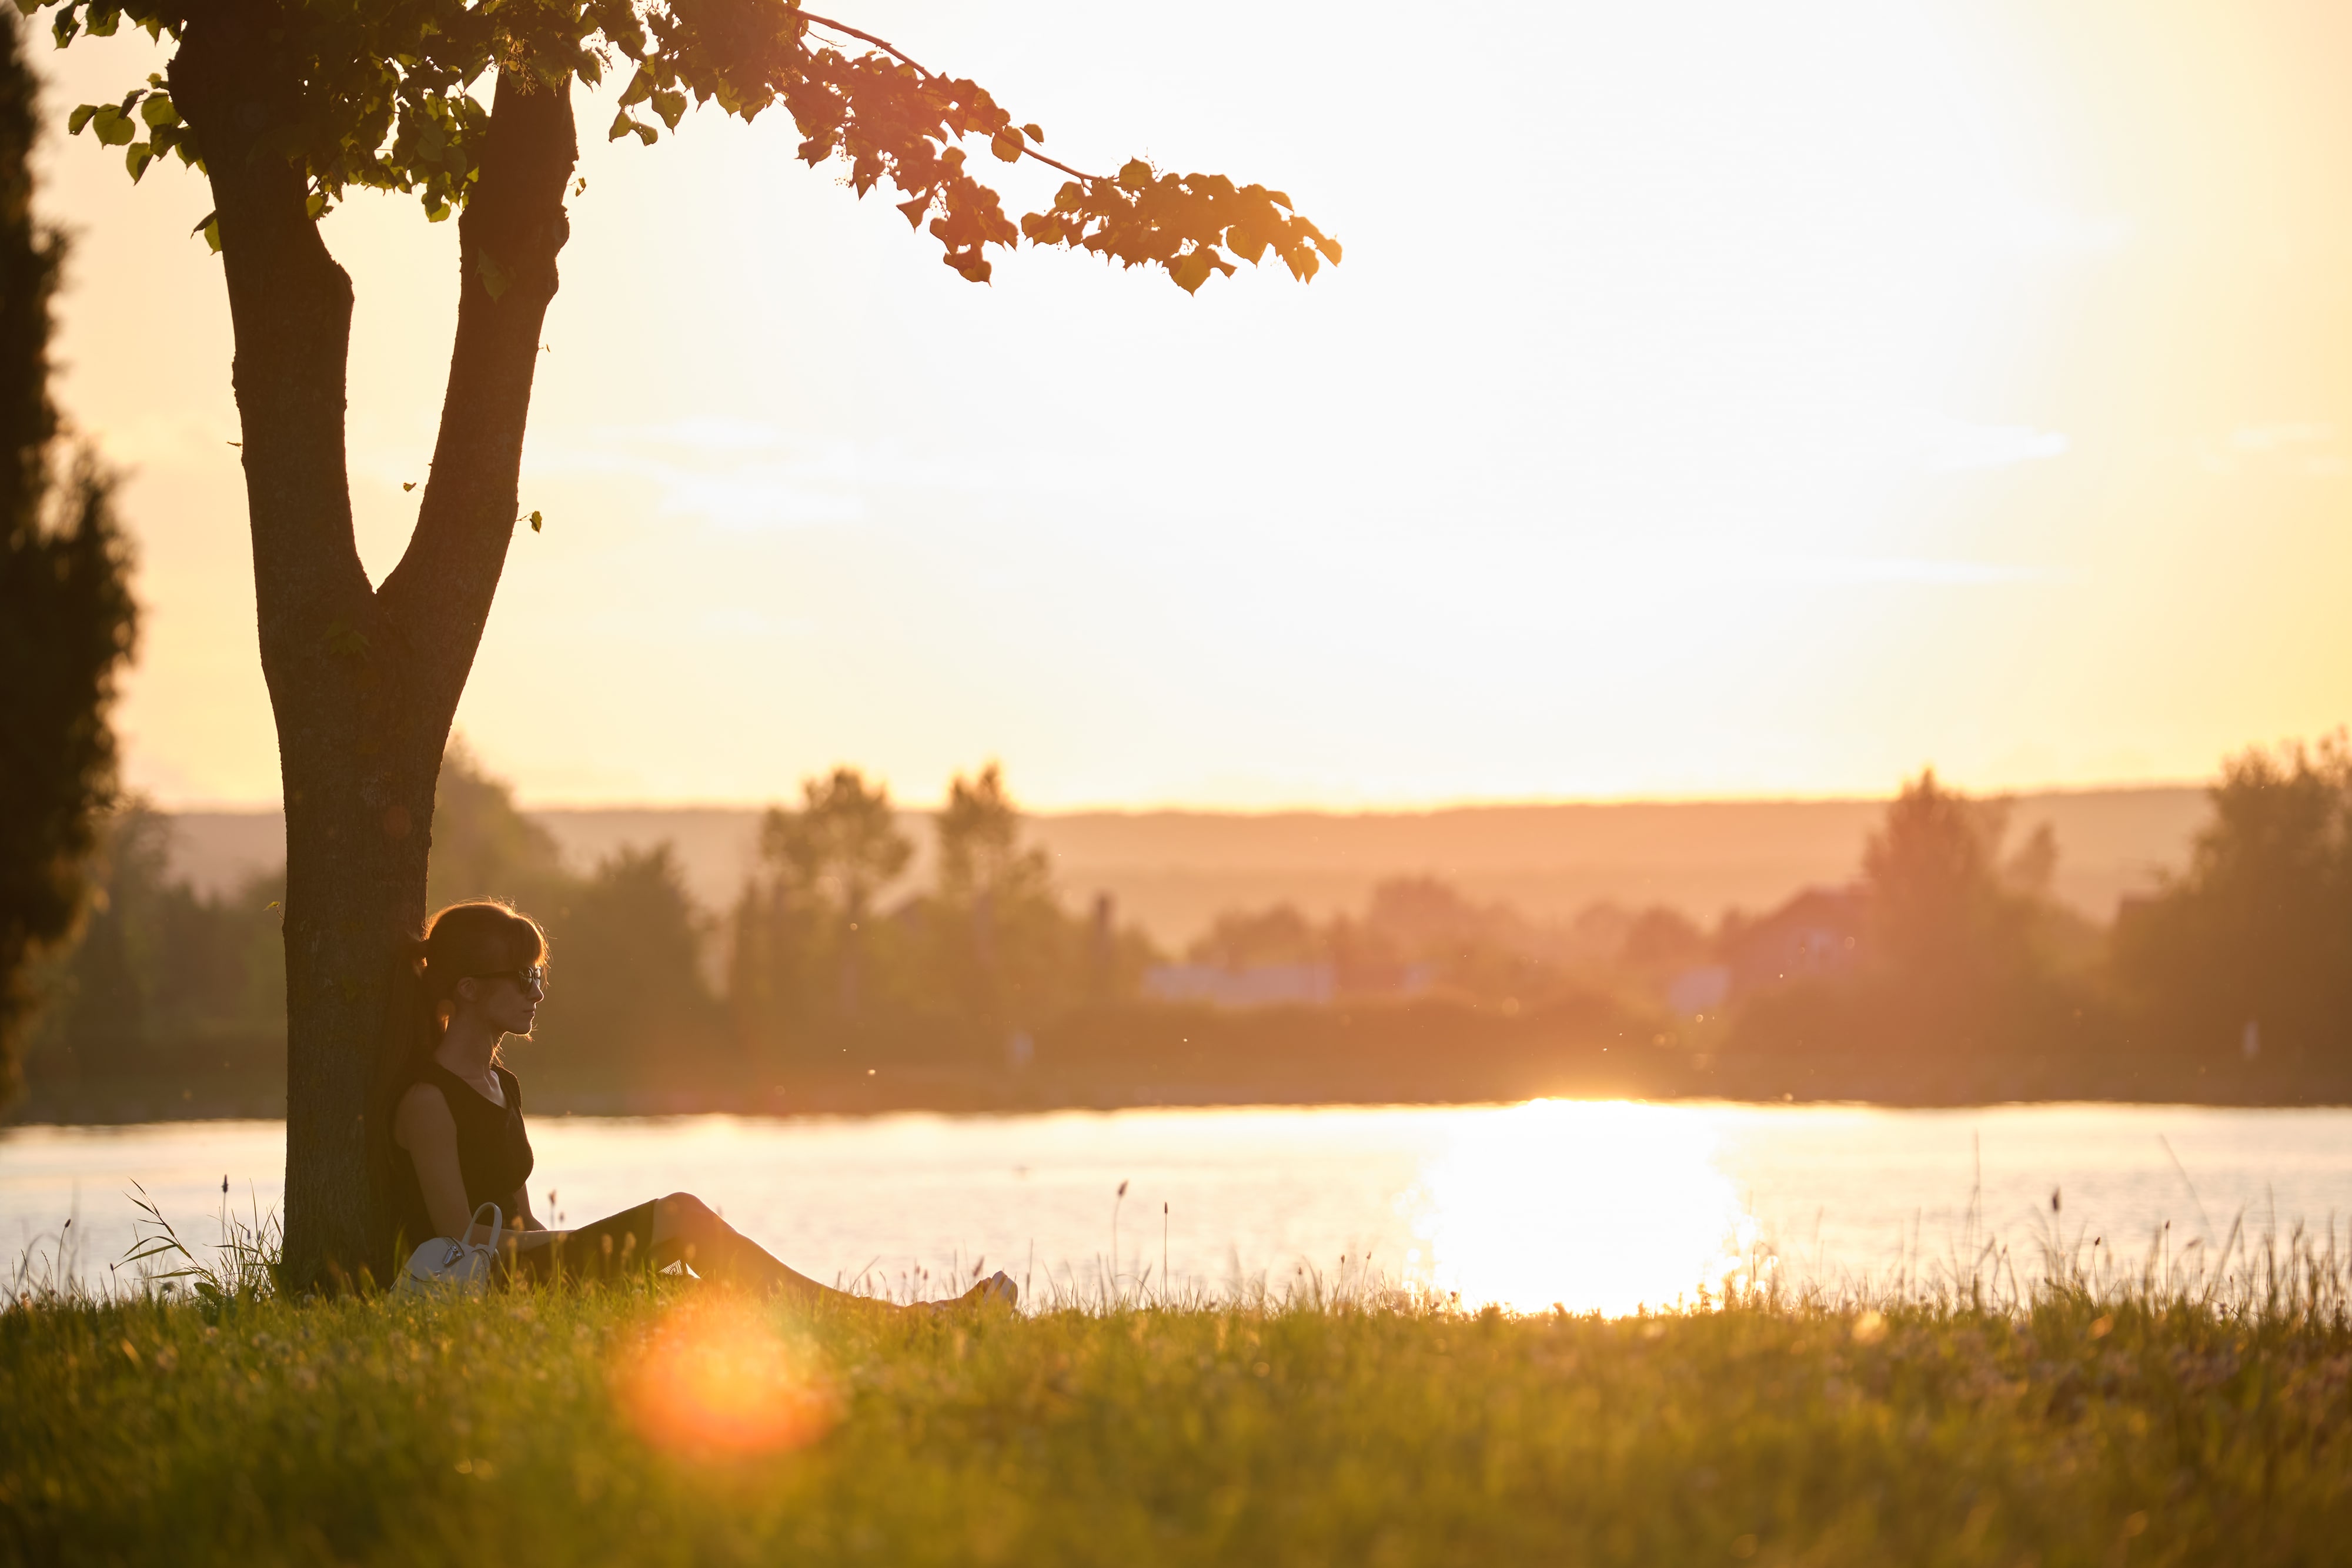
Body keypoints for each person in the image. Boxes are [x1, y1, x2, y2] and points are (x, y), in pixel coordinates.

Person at [375, 899, 1013, 1310]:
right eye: (522, 979)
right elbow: (458, 1236)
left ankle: (860, 1329)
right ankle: (903, 1322)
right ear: (466, 989)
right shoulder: (429, 1101)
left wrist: (595, 1254)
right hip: (482, 1289)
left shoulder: (501, 1086)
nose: (535, 993)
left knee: (686, 1292)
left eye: (537, 978)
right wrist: (588, 1245)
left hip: (528, 1272)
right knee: (678, 1214)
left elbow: (521, 1223)